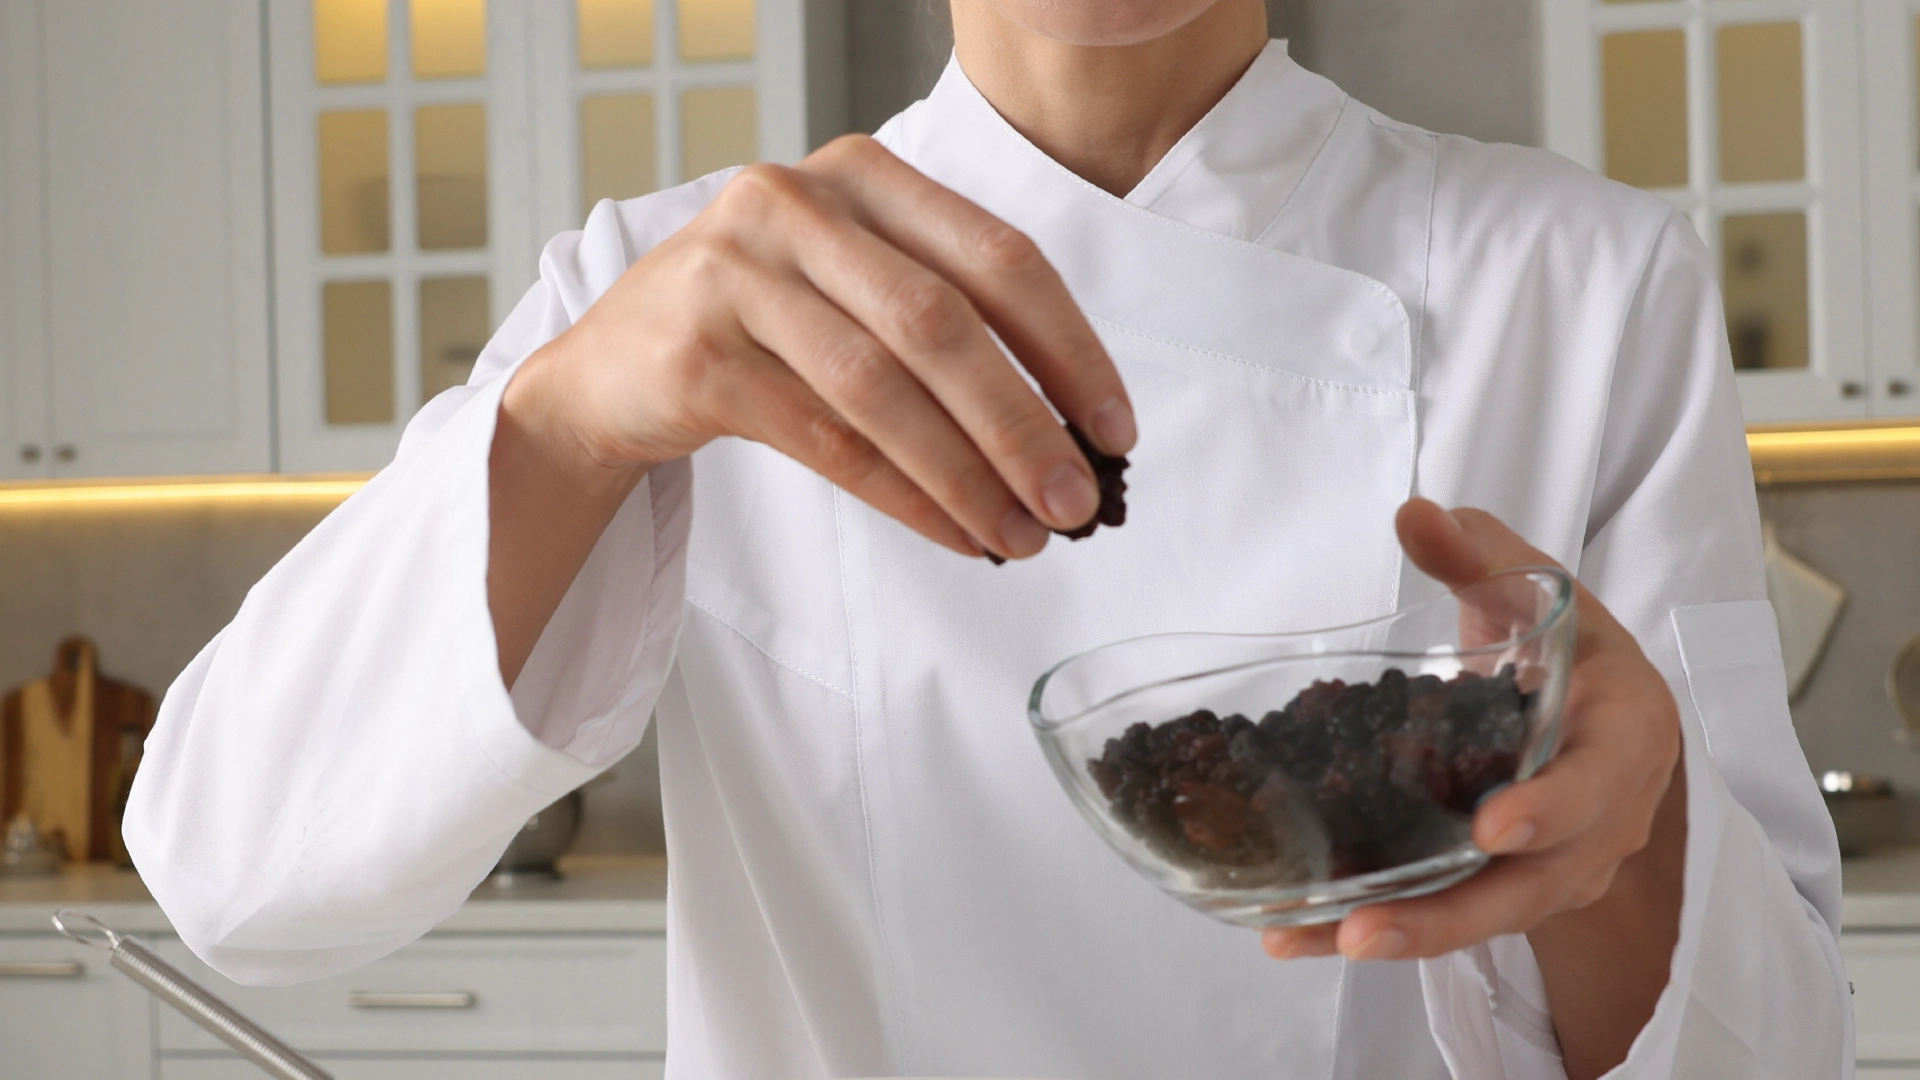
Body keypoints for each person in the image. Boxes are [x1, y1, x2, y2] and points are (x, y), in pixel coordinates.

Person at [125, 1, 1850, 1077]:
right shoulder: (671, 292)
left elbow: (1771, 1062)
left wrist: (1641, 818)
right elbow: (235, 877)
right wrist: (572, 420)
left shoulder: (1587, 282)